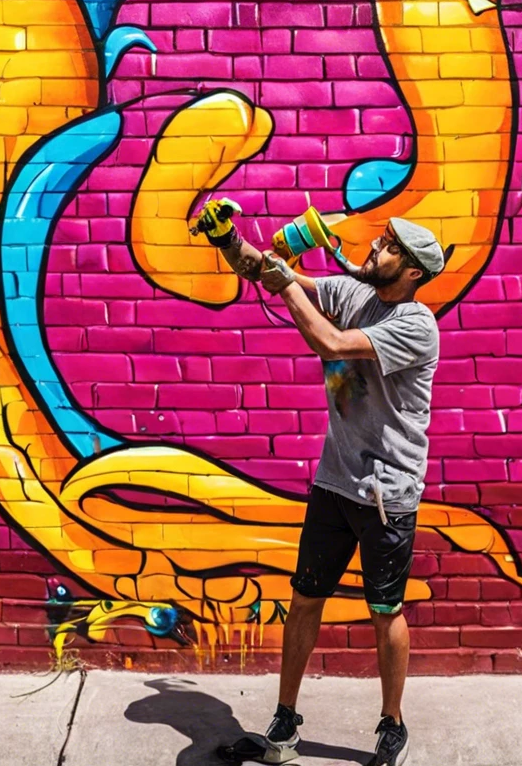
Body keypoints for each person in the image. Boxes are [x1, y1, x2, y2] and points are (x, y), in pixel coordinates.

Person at [202, 202, 447, 766]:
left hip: (388, 493)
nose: (375, 248)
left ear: (412, 271)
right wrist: (229, 240)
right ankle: (284, 723)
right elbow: (268, 272)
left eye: (389, 247)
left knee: (384, 611)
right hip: (335, 482)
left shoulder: (416, 324)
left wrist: (287, 283)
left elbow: (332, 346)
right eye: (382, 239)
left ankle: (392, 724)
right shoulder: (350, 292)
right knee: (306, 597)